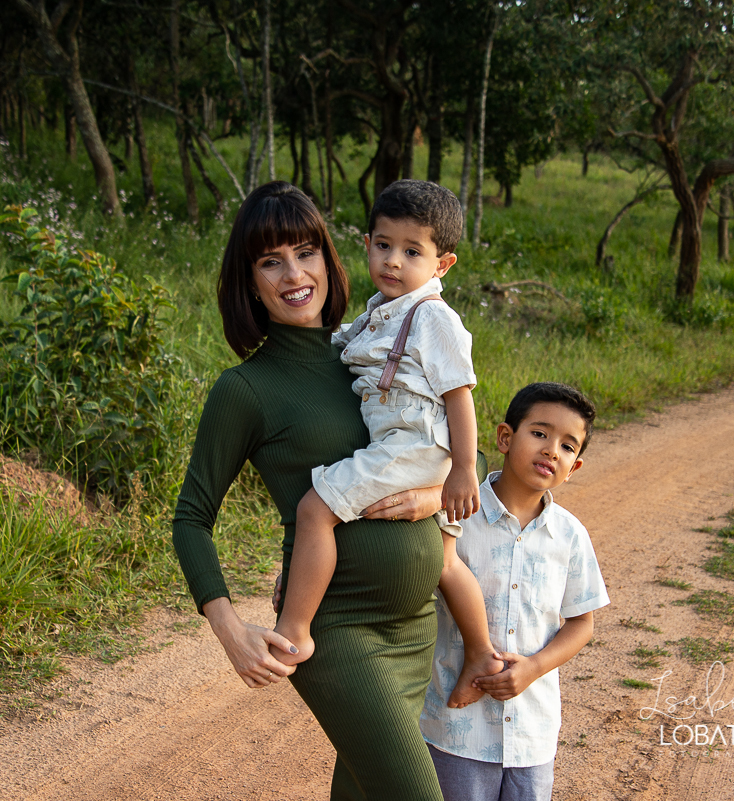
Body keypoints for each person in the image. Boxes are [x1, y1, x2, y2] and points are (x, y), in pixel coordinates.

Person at [173, 181, 482, 800]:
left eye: (306, 252)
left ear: (329, 257)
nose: (294, 275)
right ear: (249, 280)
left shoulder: (369, 350)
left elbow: (441, 442)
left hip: (415, 628)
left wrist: (429, 499)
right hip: (340, 633)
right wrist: (229, 628)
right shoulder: (246, 389)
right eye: (270, 261)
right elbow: (191, 518)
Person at [273, 179, 502, 709]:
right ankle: (482, 653)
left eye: (412, 252)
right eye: (383, 245)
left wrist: (462, 470)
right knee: (446, 562)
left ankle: (296, 628)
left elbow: (460, 396)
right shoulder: (383, 307)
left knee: (315, 510)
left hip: (413, 443)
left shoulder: (434, 318)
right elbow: (342, 342)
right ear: (368, 244)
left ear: (442, 265)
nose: (393, 261)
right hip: (411, 442)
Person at [420, 382, 610, 801]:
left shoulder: (570, 536)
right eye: (540, 433)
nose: (551, 451)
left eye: (567, 446)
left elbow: (582, 623)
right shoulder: (457, 515)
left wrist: (534, 668)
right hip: (456, 730)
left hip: (532, 734)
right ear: (505, 438)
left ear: (574, 467)